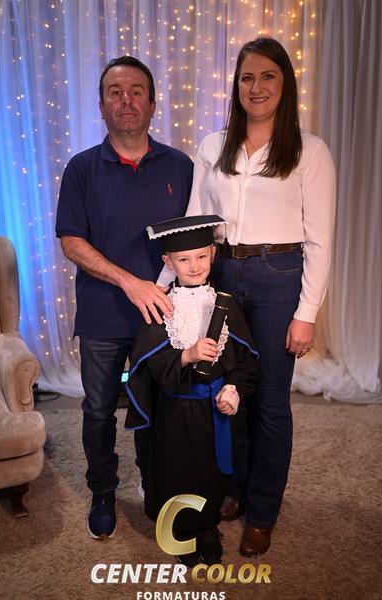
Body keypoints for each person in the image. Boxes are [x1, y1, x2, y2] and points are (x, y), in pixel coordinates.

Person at [182, 38, 336, 556]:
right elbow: (196, 221)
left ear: (285, 83)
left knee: (269, 399)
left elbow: (320, 239)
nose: (257, 86)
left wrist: (306, 313)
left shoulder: (310, 151)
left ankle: (263, 510)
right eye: (247, 77)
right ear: (236, 85)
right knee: (230, 391)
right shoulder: (213, 146)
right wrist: (172, 284)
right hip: (224, 271)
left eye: (268, 76)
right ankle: (237, 489)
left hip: (278, 275)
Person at [55, 56, 193, 540]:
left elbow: (194, 238)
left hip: (164, 316)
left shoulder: (181, 166)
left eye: (136, 91)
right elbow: (72, 242)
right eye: (115, 92)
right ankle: (102, 491)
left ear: (153, 104)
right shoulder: (82, 169)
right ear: (101, 105)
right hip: (102, 316)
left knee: (160, 407)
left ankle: (156, 486)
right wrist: (131, 283)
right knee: (98, 410)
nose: (126, 100)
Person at [125, 215, 257, 566]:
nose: (194, 266)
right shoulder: (162, 306)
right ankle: (181, 530)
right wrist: (187, 355)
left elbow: (244, 359)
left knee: (211, 470)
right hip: (175, 409)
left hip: (214, 408)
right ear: (168, 262)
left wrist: (232, 390)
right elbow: (149, 363)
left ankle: (207, 524)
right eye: (183, 259)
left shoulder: (225, 304)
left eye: (201, 256)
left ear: (212, 254)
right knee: (177, 469)